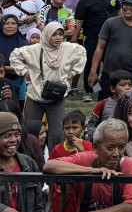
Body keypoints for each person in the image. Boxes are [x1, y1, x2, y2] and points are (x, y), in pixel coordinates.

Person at [10, 22, 86, 150]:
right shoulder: (35, 49)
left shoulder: (68, 48)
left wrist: (73, 72)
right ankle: (32, 160)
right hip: (36, 97)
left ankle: (54, 160)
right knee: (31, 132)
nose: (58, 38)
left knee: (57, 133)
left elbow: (82, 52)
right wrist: (25, 72)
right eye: (54, 35)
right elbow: (15, 55)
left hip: (57, 99)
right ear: (46, 35)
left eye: (60, 34)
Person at [88, 0, 132, 101]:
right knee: (104, 105)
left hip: (131, 76)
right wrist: (93, 72)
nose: (128, 7)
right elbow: (99, 48)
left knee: (128, 108)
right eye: (125, 4)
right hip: (109, 74)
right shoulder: (110, 23)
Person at [73, 0, 121, 102]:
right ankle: (91, 90)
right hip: (93, 36)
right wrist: (74, 39)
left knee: (111, 64)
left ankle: (111, 89)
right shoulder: (84, 0)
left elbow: (119, 12)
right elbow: (78, 21)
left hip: (112, 36)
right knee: (91, 64)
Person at [0, 15, 28, 105]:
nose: (10, 26)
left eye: (13, 23)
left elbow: (25, 68)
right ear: (2, 25)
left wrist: (4, 68)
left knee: (16, 109)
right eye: (7, 23)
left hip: (17, 83)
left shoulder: (23, 44)